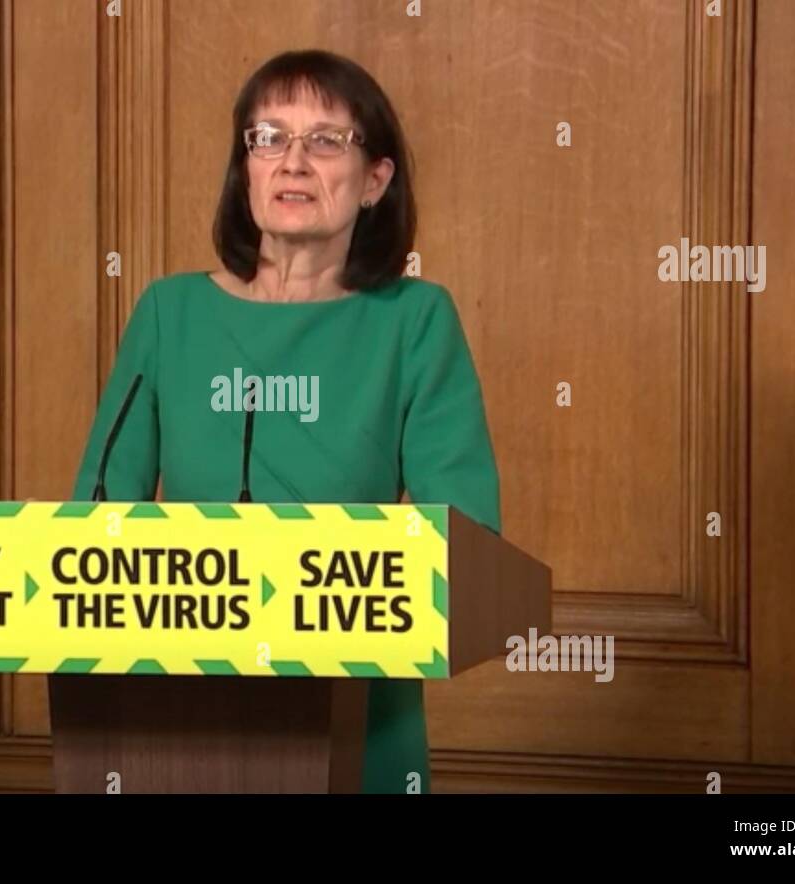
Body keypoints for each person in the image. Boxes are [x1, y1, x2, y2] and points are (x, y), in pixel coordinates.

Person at [70, 48, 501, 794]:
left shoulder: (415, 321)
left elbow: (465, 548)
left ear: (375, 180)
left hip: (359, 715)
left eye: (326, 140)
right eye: (269, 137)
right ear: (246, 171)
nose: (292, 161)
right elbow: (94, 524)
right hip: (175, 719)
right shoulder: (168, 313)